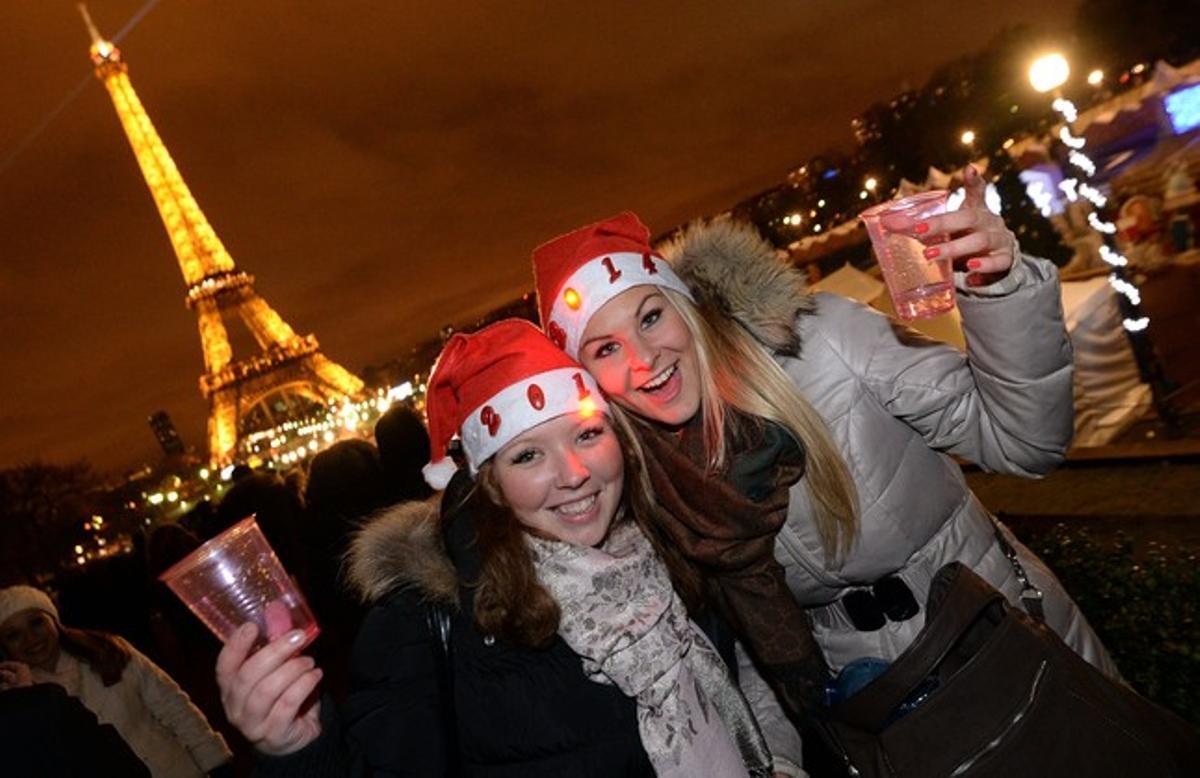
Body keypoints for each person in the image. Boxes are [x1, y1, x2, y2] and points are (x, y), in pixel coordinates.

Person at [529, 167, 1119, 731]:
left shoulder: (821, 343)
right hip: (878, 708)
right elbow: (735, 659)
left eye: (651, 317)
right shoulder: (646, 485)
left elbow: (1027, 442)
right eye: (605, 349)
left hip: (1008, 638)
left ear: (686, 310)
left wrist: (998, 288)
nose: (643, 360)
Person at [214, 320, 783, 777]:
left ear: (622, 441)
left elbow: (747, 690)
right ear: (488, 482)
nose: (575, 474)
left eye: (588, 434)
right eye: (527, 456)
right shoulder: (427, 625)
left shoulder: (669, 542)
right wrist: (299, 749)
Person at [0, 584, 232, 778]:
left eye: (36, 623)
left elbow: (172, 705)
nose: (30, 638)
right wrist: (28, 697)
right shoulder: (17, 701)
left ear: (53, 620)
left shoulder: (106, 650)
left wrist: (213, 760)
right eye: (13, 634)